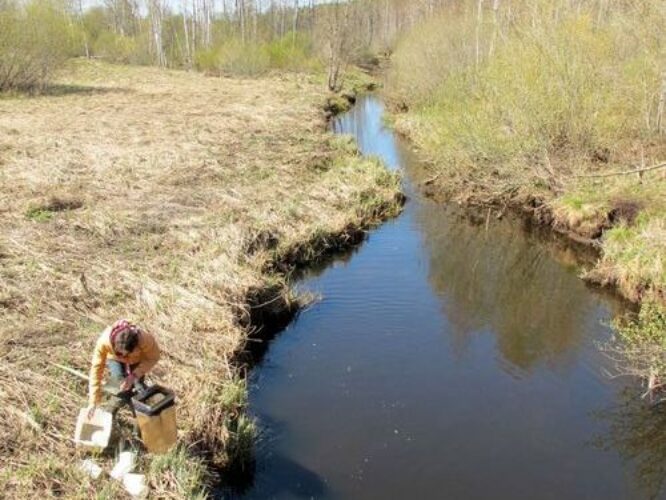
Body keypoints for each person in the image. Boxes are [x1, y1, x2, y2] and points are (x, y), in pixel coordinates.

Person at [87, 319, 160, 418]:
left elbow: (153, 357)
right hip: (115, 359)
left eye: (127, 354)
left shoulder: (145, 339)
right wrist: (93, 401)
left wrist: (134, 375)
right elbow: (96, 370)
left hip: (136, 361)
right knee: (119, 385)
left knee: (139, 388)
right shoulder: (103, 342)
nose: (124, 356)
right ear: (114, 344)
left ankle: (140, 420)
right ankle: (109, 414)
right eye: (121, 353)